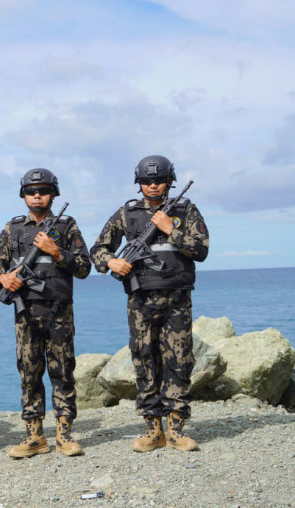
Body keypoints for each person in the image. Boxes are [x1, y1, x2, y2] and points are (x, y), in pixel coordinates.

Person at [90, 155, 209, 453]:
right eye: (146, 181)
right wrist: (112, 262)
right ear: (139, 183)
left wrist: (171, 228)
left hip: (177, 298)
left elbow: (201, 249)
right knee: (144, 360)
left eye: (158, 180)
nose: (152, 186)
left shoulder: (186, 209)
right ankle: (152, 429)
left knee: (179, 361)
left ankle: (177, 429)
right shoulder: (126, 213)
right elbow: (98, 250)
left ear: (170, 182)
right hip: (141, 298)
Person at [0, 168, 91, 459]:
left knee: (62, 371)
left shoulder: (67, 226)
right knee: (29, 373)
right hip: (26, 311)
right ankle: (34, 436)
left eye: (43, 191)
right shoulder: (13, 228)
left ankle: (64, 434)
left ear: (53, 194)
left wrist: (56, 252)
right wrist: (3, 279)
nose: (37, 195)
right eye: (31, 191)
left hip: (59, 310)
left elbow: (84, 267)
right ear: (24, 196)